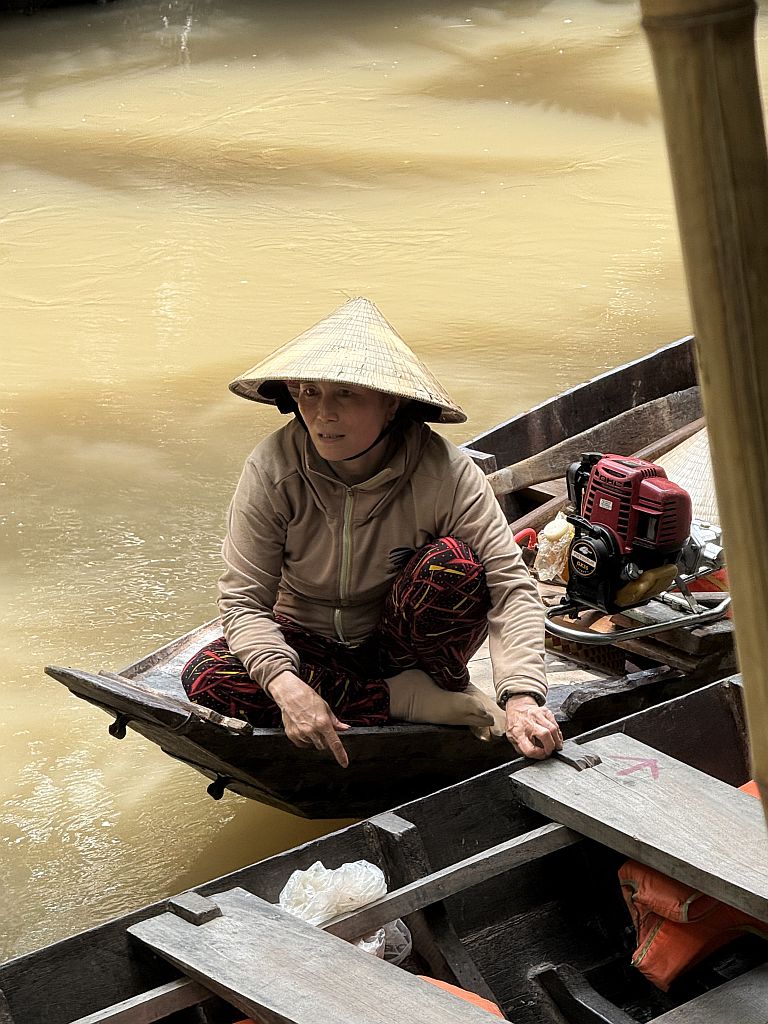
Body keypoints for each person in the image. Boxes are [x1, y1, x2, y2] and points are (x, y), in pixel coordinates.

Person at [181, 297, 562, 767]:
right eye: (309, 392)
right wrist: (286, 685)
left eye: (346, 394)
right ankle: (403, 701)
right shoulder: (272, 468)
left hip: (405, 645)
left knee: (454, 566)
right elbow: (243, 603)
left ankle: (420, 684)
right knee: (206, 675)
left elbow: (510, 588)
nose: (322, 414)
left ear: (391, 403)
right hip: (309, 641)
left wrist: (522, 697)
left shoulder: (446, 472)